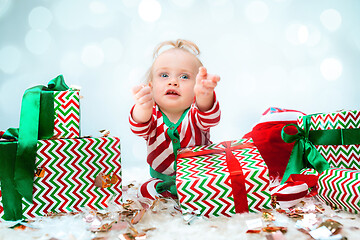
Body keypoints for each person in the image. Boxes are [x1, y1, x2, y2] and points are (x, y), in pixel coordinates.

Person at [129, 39, 221, 200]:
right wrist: (142, 106)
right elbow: (138, 127)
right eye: (164, 75)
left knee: (216, 190)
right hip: (161, 178)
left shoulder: (196, 114)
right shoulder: (151, 115)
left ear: (196, 88)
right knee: (144, 191)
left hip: (199, 178)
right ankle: (166, 206)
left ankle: (194, 201)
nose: (173, 82)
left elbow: (211, 118)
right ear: (150, 87)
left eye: (184, 76)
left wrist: (204, 96)